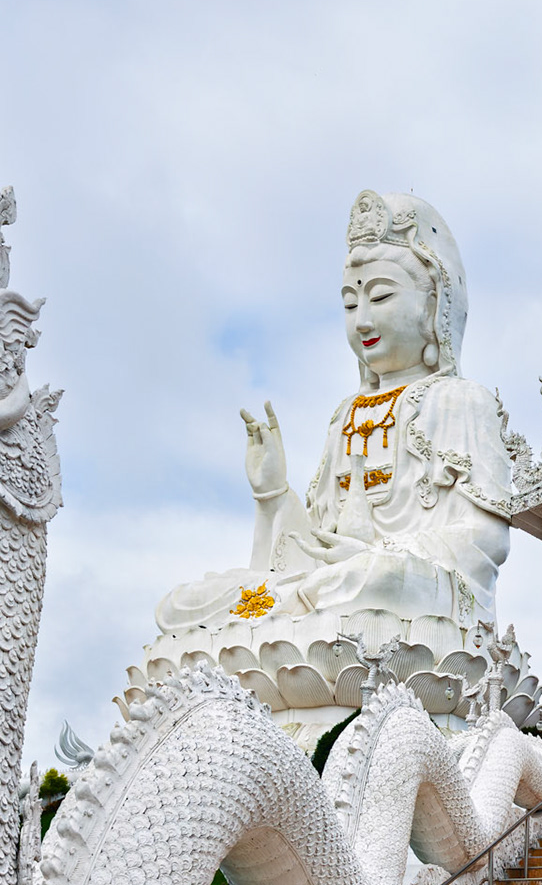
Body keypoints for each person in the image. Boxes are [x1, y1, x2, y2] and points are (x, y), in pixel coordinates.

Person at [155, 191, 512, 640]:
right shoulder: (345, 415)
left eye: (380, 297)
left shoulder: (460, 401)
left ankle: (288, 619)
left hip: (407, 595)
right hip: (328, 587)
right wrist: (273, 495)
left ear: (433, 306)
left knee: (371, 579)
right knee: (182, 604)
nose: (362, 320)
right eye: (349, 303)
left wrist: (376, 557)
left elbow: (486, 539)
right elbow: (311, 545)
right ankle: (283, 617)